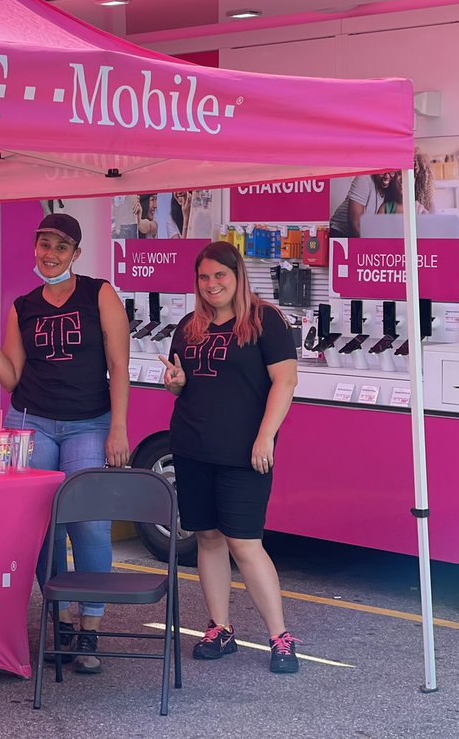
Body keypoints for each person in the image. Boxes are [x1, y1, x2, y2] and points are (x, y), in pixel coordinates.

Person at [0, 211, 130, 675]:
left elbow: (119, 366)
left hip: (89, 425)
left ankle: (90, 623)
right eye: (44, 245)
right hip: (31, 421)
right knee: (44, 528)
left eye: (60, 247)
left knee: (91, 524)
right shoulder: (23, 306)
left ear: (76, 253)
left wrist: (119, 427)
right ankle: (61, 619)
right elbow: (10, 376)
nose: (50, 254)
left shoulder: (100, 294)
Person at [157, 240, 301, 673]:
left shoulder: (264, 320)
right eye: (204, 277)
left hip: (245, 452)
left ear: (237, 275)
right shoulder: (189, 325)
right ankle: (220, 628)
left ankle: (280, 636)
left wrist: (265, 438)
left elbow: (285, 382)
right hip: (192, 447)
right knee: (208, 537)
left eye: (220, 275)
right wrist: (175, 383)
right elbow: (185, 385)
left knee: (245, 541)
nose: (211, 284)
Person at [328, 171, 402, 237]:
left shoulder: (392, 187)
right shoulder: (364, 178)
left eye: (391, 172)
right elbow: (355, 225)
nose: (387, 176)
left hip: (361, 236)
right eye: (382, 172)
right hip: (339, 233)